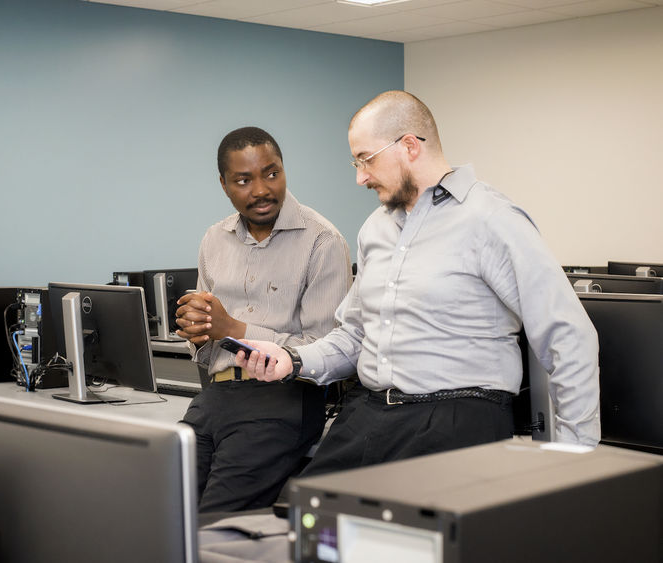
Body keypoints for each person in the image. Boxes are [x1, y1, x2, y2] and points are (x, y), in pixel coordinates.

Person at [235, 91, 600, 478]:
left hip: (458, 416)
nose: (360, 177)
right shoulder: (376, 228)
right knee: (302, 517)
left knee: (414, 531)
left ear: (409, 146)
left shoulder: (491, 219)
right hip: (370, 414)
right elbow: (356, 336)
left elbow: (568, 337)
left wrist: (577, 461)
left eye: (366, 159)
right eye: (355, 162)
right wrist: (291, 358)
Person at [174, 126, 352, 512]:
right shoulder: (214, 239)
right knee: (164, 510)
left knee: (211, 522)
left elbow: (330, 350)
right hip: (215, 395)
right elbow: (205, 344)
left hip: (282, 402)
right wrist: (200, 332)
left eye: (272, 173)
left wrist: (233, 329)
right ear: (223, 185)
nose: (261, 189)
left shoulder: (323, 241)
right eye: (243, 180)